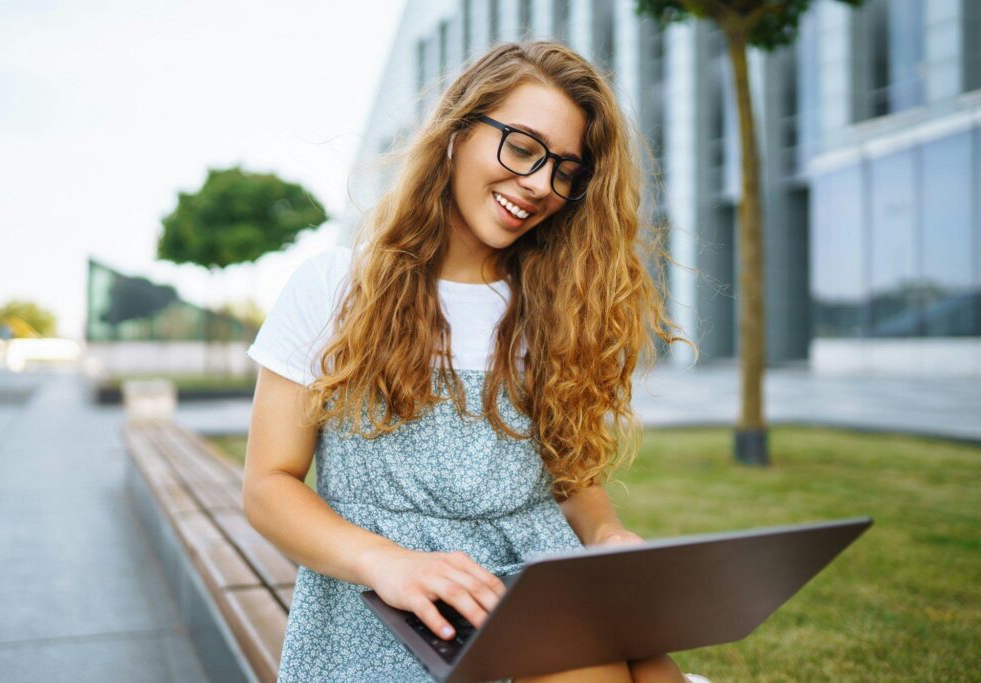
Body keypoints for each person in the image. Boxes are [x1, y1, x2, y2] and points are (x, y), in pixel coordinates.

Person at [243, 40, 706, 682]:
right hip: (386, 599)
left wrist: (605, 539)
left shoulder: (554, 304)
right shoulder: (334, 287)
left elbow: (568, 476)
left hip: (535, 577)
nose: (541, 185)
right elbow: (269, 487)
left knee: (648, 673)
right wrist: (389, 564)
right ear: (458, 133)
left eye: (566, 170)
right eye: (522, 148)